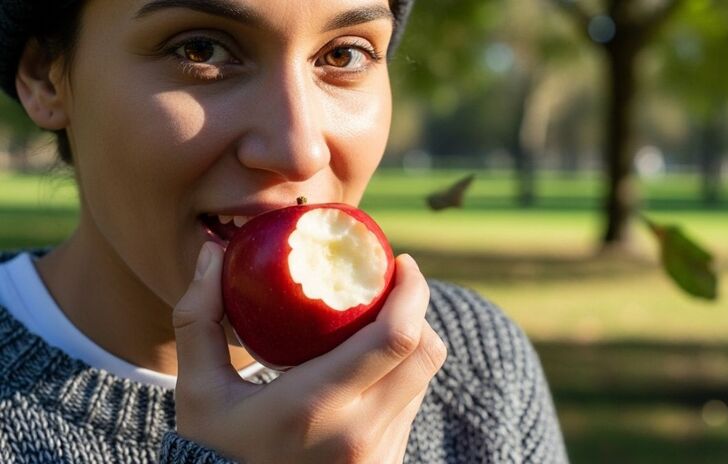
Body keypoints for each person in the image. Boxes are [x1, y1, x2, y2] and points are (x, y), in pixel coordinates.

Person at [0, 0, 569, 462]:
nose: (299, 149)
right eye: (201, 49)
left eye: (344, 54)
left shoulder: (472, 366)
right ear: (44, 78)